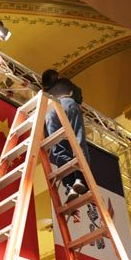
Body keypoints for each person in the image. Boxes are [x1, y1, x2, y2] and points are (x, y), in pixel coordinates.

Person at [42, 69, 91, 202]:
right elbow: (78, 94)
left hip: (50, 112)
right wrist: (77, 102)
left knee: (59, 149)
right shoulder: (64, 82)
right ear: (56, 77)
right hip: (67, 103)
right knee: (78, 141)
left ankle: (69, 186)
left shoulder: (45, 92)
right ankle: (80, 179)